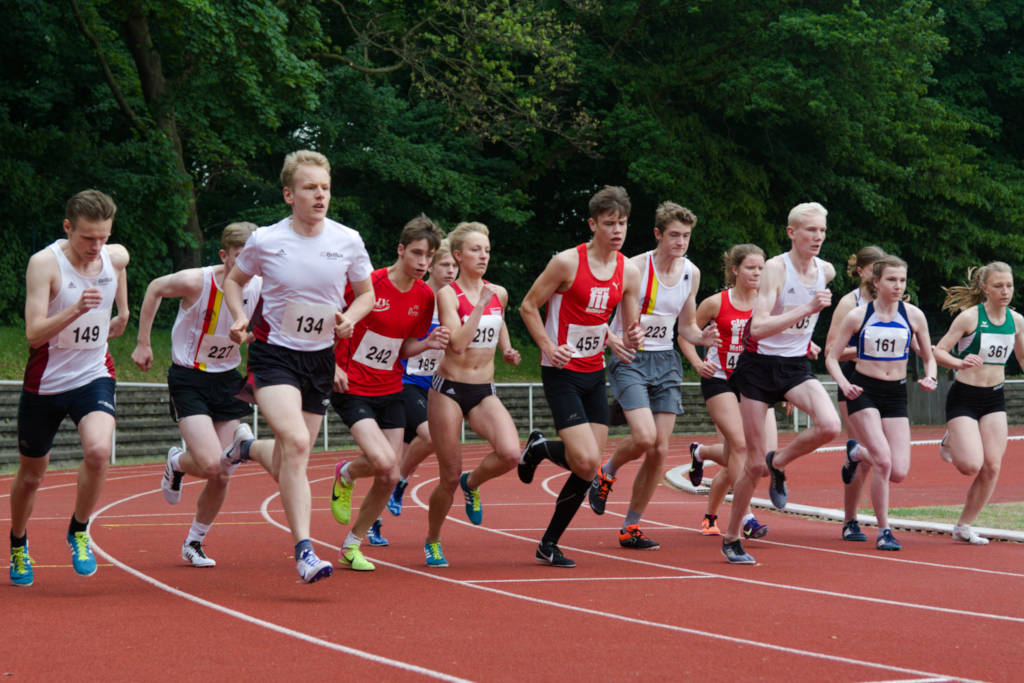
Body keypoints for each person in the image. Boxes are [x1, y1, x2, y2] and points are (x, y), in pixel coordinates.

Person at [223, 150, 375, 583]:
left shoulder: (348, 239)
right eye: (310, 188)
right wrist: (238, 317)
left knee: (295, 455)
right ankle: (305, 552)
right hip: (274, 355)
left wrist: (352, 317)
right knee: (295, 441)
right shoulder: (267, 240)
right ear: (290, 194)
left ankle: (247, 448)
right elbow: (235, 281)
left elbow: (365, 294)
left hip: (320, 358)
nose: (320, 195)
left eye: (325, 188)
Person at [518, 185, 644, 568]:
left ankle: (548, 543)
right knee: (587, 460)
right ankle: (539, 450)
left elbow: (629, 323)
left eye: (622, 223)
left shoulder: (628, 271)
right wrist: (547, 345)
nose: (617, 230)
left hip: (594, 372)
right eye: (609, 223)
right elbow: (528, 305)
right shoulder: (567, 263)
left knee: (587, 467)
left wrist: (628, 338)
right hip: (561, 371)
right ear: (593, 224)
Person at [131, 222, 270, 567]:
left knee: (224, 470)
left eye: (254, 259)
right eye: (241, 259)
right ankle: (177, 462)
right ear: (224, 256)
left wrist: (249, 339)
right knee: (210, 463)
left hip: (227, 380)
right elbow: (154, 288)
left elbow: (263, 328)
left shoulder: (261, 285)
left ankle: (194, 542)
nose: (248, 268)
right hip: (189, 378)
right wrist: (143, 342)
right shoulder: (197, 281)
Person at [9, 189, 130, 586]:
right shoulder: (45, 264)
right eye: (87, 238)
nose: (97, 246)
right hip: (46, 381)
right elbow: (32, 333)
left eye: (103, 236)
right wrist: (75, 309)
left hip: (93, 372)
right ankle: (18, 543)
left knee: (98, 451)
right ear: (67, 227)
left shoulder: (113, 255)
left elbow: (122, 265)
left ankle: (79, 530)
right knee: (32, 475)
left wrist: (124, 312)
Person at [587, 202, 717, 550]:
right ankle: (606, 472)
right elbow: (597, 310)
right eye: (674, 235)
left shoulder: (692, 272)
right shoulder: (633, 267)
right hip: (631, 358)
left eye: (686, 236)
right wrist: (613, 339)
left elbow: (687, 325)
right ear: (658, 234)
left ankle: (631, 526)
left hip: (667, 362)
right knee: (644, 437)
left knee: (659, 450)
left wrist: (702, 337)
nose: (681, 242)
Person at [720, 202, 841, 564]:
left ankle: (781, 462)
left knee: (831, 425)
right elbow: (756, 327)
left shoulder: (827, 270)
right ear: (792, 233)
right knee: (752, 465)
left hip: (794, 368)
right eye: (809, 230)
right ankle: (730, 536)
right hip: (757, 368)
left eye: (821, 230)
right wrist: (807, 310)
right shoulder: (775, 269)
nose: (817, 237)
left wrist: (808, 337)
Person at [328, 215, 449, 571]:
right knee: (383, 461)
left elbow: (404, 345)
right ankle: (347, 473)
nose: (423, 263)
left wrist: (426, 343)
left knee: (390, 474)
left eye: (429, 257)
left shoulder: (425, 296)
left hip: (391, 387)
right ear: (400, 250)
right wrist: (331, 364)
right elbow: (331, 319)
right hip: (352, 385)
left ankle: (352, 545)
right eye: (417, 254)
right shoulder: (370, 283)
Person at [421, 222, 522, 566]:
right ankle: (433, 540)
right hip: (448, 389)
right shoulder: (448, 294)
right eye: (476, 251)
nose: (484, 256)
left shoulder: (500, 292)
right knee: (446, 475)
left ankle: (473, 482)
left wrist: (506, 348)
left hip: (483, 390)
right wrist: (478, 305)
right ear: (460, 256)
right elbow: (458, 346)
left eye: (488, 251)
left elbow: (501, 320)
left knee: (510, 454)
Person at [826, 255, 937, 551]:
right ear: (876, 283)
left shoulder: (914, 316)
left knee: (899, 471)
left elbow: (928, 355)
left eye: (902, 280)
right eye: (891, 279)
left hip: (896, 394)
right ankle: (884, 530)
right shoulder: (858, 315)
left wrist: (931, 377)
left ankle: (856, 453)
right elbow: (831, 356)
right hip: (865, 391)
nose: (898, 285)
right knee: (884, 461)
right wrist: (844, 383)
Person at [679, 244, 772, 539]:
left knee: (761, 460)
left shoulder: (768, 303)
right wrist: (696, 362)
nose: (757, 273)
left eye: (761, 268)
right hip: (719, 379)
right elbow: (685, 332)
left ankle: (702, 453)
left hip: (754, 383)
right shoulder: (717, 303)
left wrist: (785, 389)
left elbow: (778, 345)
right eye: (750, 268)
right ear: (735, 270)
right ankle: (745, 517)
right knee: (742, 448)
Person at [931, 262, 1024, 545]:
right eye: (998, 286)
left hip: (994, 398)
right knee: (971, 465)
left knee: (992, 467)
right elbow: (938, 352)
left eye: (1008, 285)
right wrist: (960, 362)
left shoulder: (1017, 321)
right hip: (964, 397)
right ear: (985, 288)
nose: (1005, 291)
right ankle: (951, 439)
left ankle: (965, 526)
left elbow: (1022, 359)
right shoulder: (970, 318)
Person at [385, 241, 459, 519]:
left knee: (392, 463)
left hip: (435, 386)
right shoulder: (421, 297)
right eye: (444, 265)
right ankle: (400, 483)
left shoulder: (455, 301)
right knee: (430, 436)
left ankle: (374, 519)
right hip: (406, 381)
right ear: (431, 266)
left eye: (454, 265)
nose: (451, 270)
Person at [823, 245, 887, 543]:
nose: (878, 276)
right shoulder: (849, 304)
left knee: (885, 456)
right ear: (860, 271)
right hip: (854, 383)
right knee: (867, 455)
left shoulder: (893, 301)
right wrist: (864, 350)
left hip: (889, 386)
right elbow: (830, 351)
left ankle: (881, 521)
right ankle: (850, 520)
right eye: (873, 269)